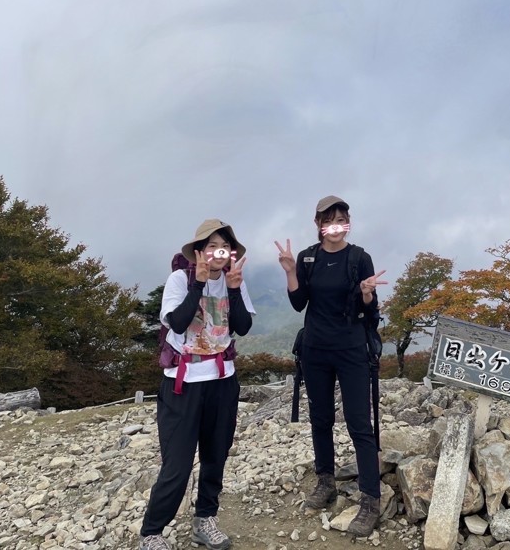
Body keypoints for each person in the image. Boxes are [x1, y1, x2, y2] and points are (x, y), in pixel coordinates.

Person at [274, 195, 387, 537]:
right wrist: (292, 271)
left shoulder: (359, 257)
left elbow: (371, 311)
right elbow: (299, 303)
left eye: (342, 220)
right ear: (319, 224)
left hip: (351, 349)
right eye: (329, 220)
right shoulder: (309, 257)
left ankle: (370, 499)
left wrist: (366, 293)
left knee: (359, 423)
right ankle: (326, 482)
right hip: (315, 350)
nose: (335, 227)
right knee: (320, 419)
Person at [139, 219, 255, 550]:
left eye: (225, 247)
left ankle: (205, 519)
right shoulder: (180, 279)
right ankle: (152, 532)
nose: (218, 253)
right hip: (182, 383)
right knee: (176, 464)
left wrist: (234, 289)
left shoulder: (234, 281)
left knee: (215, 456)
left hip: (222, 381)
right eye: (211, 246)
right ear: (199, 251)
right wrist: (198, 285)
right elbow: (176, 322)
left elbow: (243, 328)